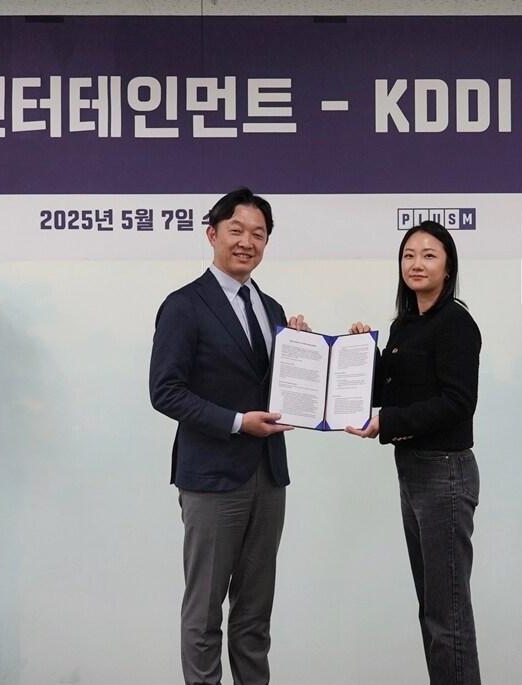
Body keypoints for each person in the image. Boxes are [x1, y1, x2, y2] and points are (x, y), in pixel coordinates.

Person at [149, 187, 310, 685]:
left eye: (258, 234)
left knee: (254, 614)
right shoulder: (184, 306)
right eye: (236, 230)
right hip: (212, 478)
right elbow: (165, 392)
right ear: (211, 234)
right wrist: (238, 421)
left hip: (269, 475)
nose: (246, 242)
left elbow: (279, 387)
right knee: (204, 614)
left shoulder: (273, 309)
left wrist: (307, 352)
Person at [346, 220, 483, 685]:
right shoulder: (404, 325)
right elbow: (387, 389)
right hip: (413, 470)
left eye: (429, 255)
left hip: (445, 473)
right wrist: (360, 351)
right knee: (432, 610)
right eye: (408, 255)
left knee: (448, 615)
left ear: (448, 268)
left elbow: (457, 403)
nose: (416, 264)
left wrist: (388, 423)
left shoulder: (456, 323)